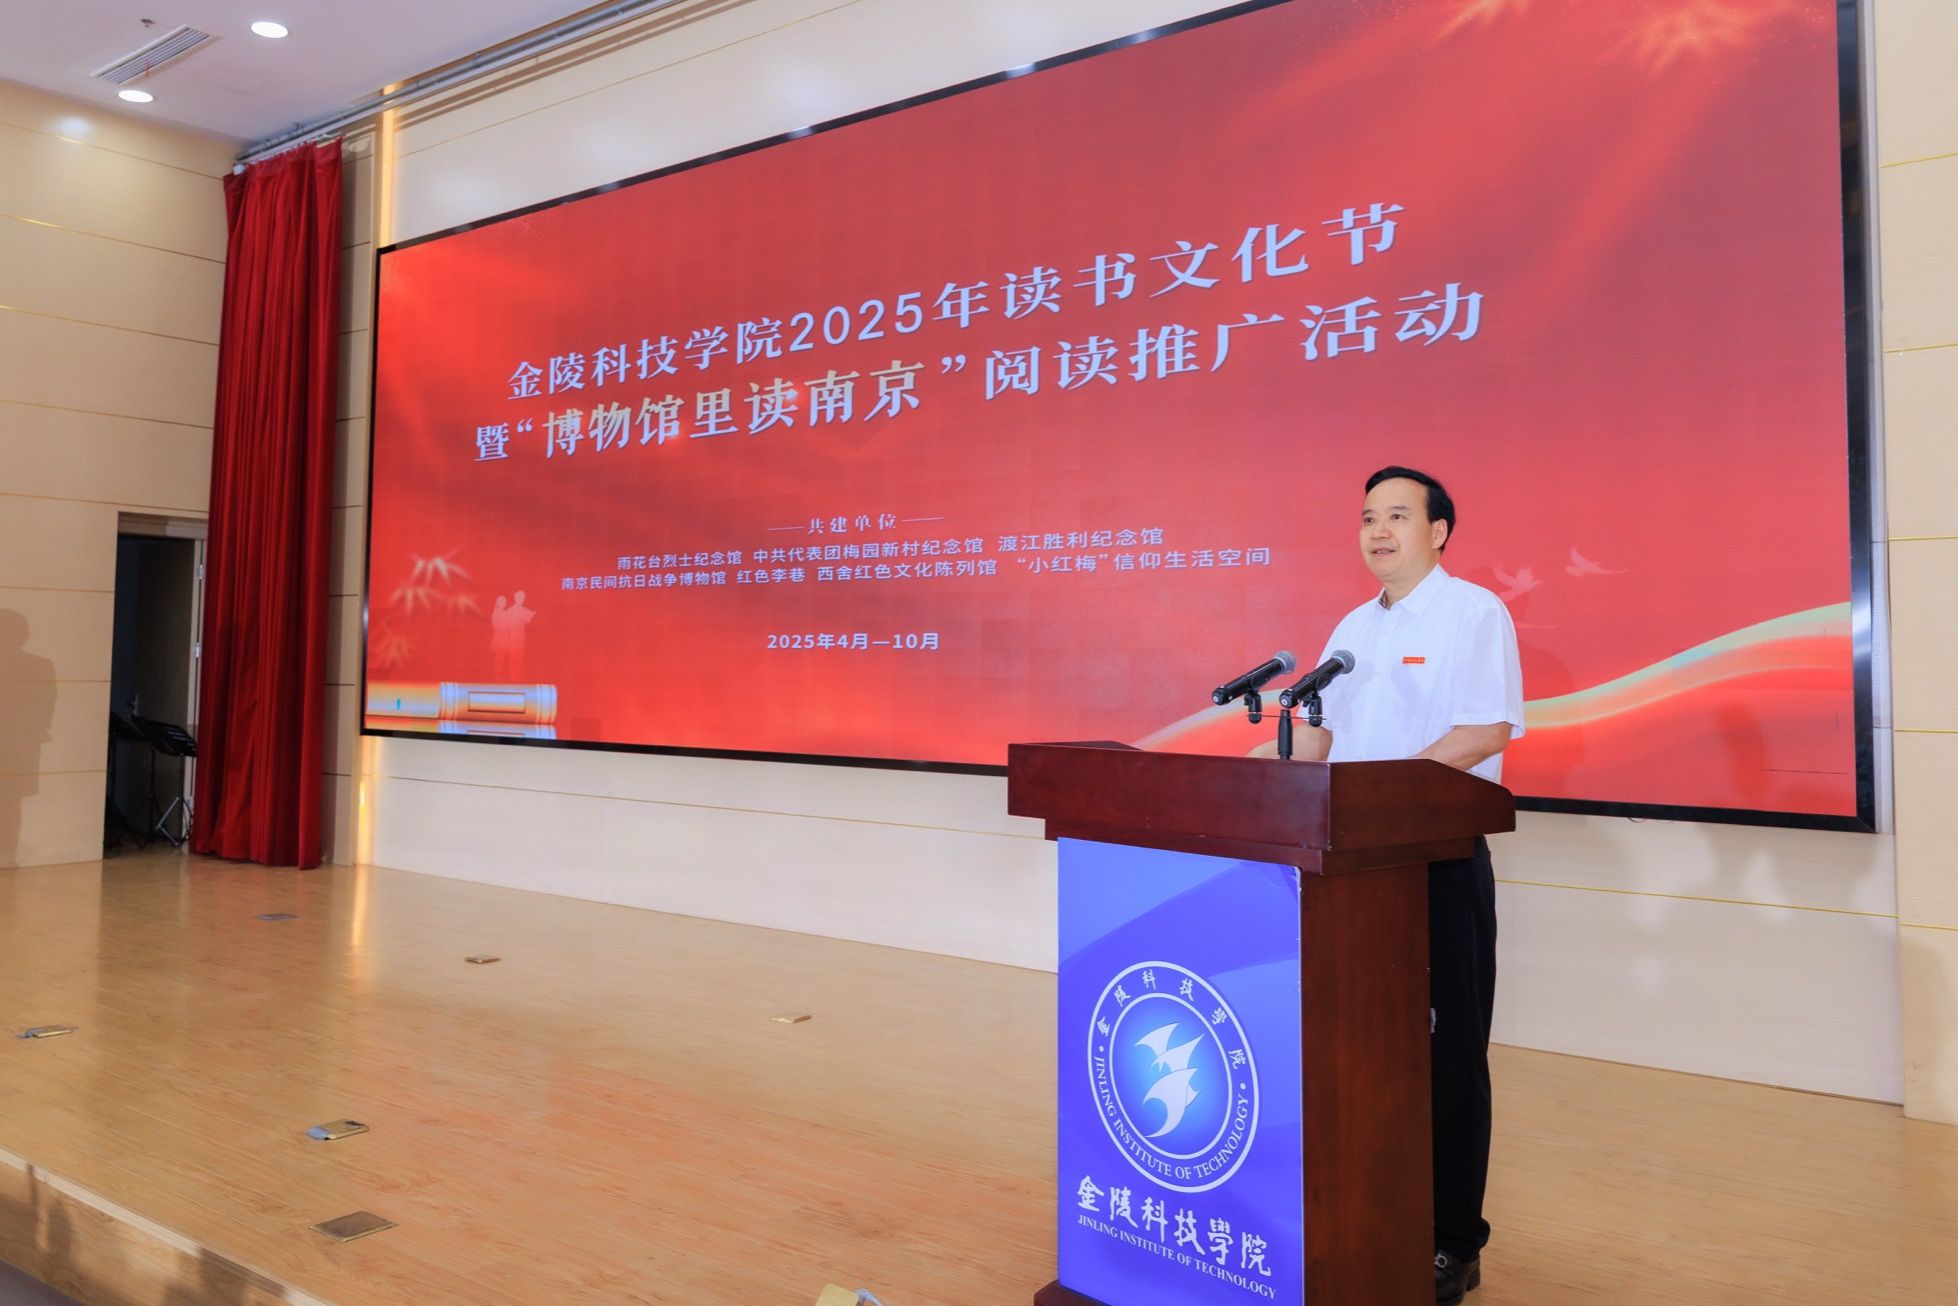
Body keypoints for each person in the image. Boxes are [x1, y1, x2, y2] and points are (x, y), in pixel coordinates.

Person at [1294, 466, 1524, 1303]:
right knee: (1354, 1048)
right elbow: (1320, 738)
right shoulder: (1351, 629)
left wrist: (1384, 797)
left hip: (1436, 860)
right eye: (1367, 518)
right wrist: (1272, 787)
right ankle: (1365, 1212)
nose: (1378, 531)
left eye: (1397, 515)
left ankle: (1452, 1241)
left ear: (1439, 532)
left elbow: (1485, 730)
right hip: (1351, 873)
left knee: (1447, 1055)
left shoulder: (1473, 613)